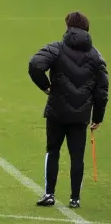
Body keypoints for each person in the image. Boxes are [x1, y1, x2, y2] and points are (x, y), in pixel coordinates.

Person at [29, 11, 108, 208]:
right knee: (77, 156)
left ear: (68, 28)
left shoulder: (57, 48)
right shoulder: (96, 56)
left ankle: (49, 194)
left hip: (57, 111)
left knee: (53, 151)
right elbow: (102, 90)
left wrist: (46, 86)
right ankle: (75, 199)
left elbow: (35, 65)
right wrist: (97, 116)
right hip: (81, 115)